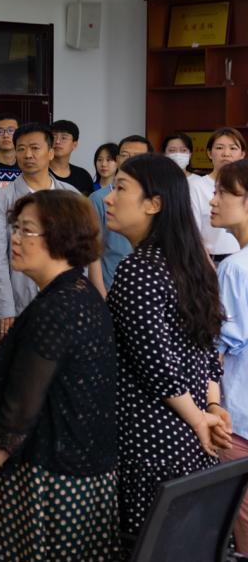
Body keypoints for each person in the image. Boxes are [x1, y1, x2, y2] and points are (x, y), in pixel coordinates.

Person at [0, 190, 119, 561]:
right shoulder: (81, 293)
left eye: (27, 231)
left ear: (61, 237)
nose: (15, 240)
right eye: (16, 229)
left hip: (50, 481)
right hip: (85, 470)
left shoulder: (55, 309)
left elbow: (21, 406)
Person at [104, 153, 230, 538]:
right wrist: (210, 408)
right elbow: (209, 348)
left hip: (150, 438)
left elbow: (154, 364)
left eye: (120, 188)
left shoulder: (139, 269)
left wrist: (200, 419)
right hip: (189, 436)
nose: (109, 198)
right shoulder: (191, 262)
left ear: (153, 204)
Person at [0, 123, 78, 334]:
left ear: (51, 152)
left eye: (35, 148)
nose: (28, 155)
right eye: (21, 149)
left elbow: (81, 253)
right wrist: (4, 307)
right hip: (21, 304)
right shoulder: (1, 199)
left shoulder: (71, 196)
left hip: (67, 302)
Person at [209, 159, 248, 554]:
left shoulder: (235, 268)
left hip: (238, 416)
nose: (213, 200)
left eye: (223, 192)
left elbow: (217, 349)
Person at [88, 136, 153, 291]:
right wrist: (101, 294)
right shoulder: (99, 198)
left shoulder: (155, 198)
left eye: (137, 156)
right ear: (117, 159)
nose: (130, 160)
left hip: (148, 284)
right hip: (111, 284)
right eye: (125, 155)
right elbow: (92, 250)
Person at [190, 127, 247, 263]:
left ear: (242, 154)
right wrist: (207, 264)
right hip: (211, 260)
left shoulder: (245, 183)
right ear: (209, 153)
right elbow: (191, 232)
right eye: (219, 148)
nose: (226, 154)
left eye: (233, 148)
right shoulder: (195, 186)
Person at [49, 119, 94, 195]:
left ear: (74, 145)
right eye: (54, 137)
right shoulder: (40, 172)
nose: (57, 141)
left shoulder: (83, 176)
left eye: (64, 138)